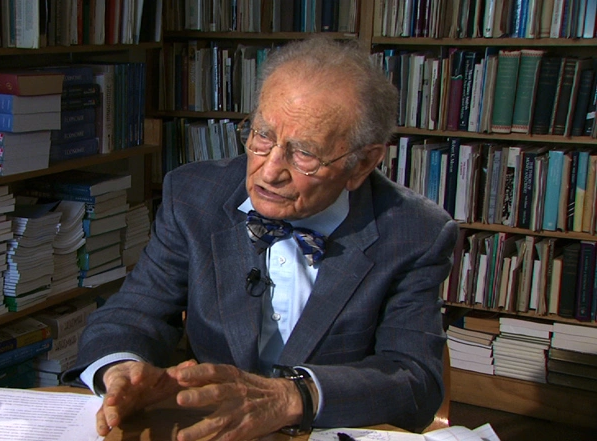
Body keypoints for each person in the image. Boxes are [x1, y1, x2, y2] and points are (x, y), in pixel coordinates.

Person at [62, 37, 459, 441]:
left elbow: (414, 380)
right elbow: (133, 314)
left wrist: (292, 397)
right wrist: (120, 369)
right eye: (262, 136)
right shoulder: (192, 196)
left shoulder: (414, 231)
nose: (269, 171)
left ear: (363, 163)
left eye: (303, 153)